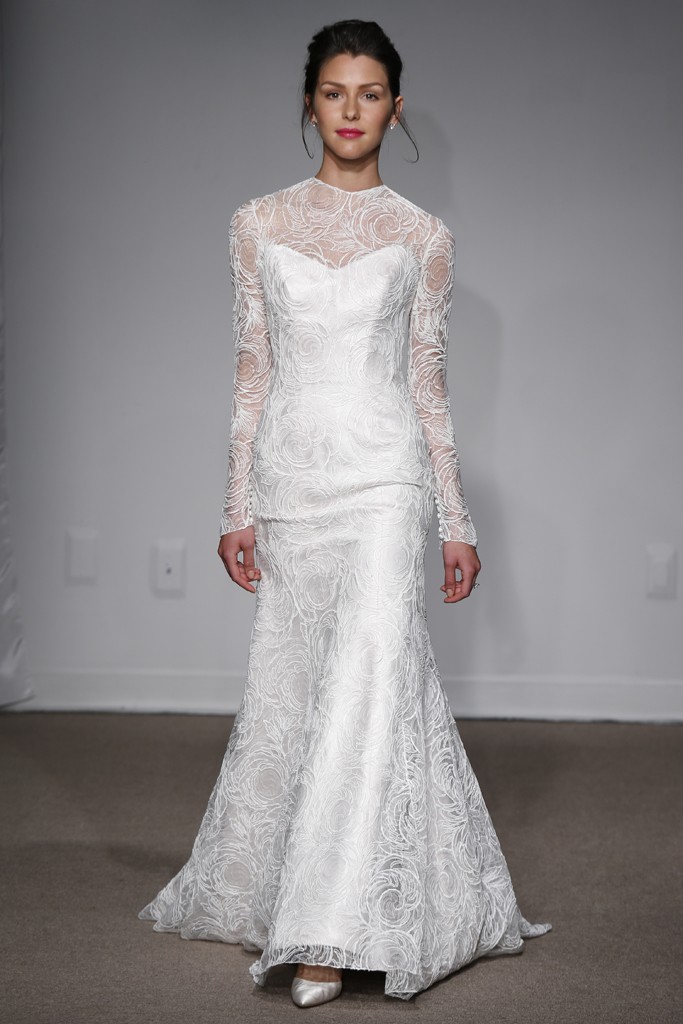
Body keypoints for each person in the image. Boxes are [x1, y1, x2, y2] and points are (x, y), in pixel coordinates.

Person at [138, 18, 552, 1008]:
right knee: (300, 689)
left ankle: (323, 934)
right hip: (292, 480)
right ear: (309, 103)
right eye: (334, 92)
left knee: (369, 675)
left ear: (395, 109)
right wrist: (237, 502)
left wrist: (455, 520)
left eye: (369, 94)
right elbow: (251, 372)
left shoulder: (422, 237)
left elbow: (428, 387)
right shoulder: (256, 223)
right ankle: (308, 887)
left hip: (383, 478)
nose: (351, 110)